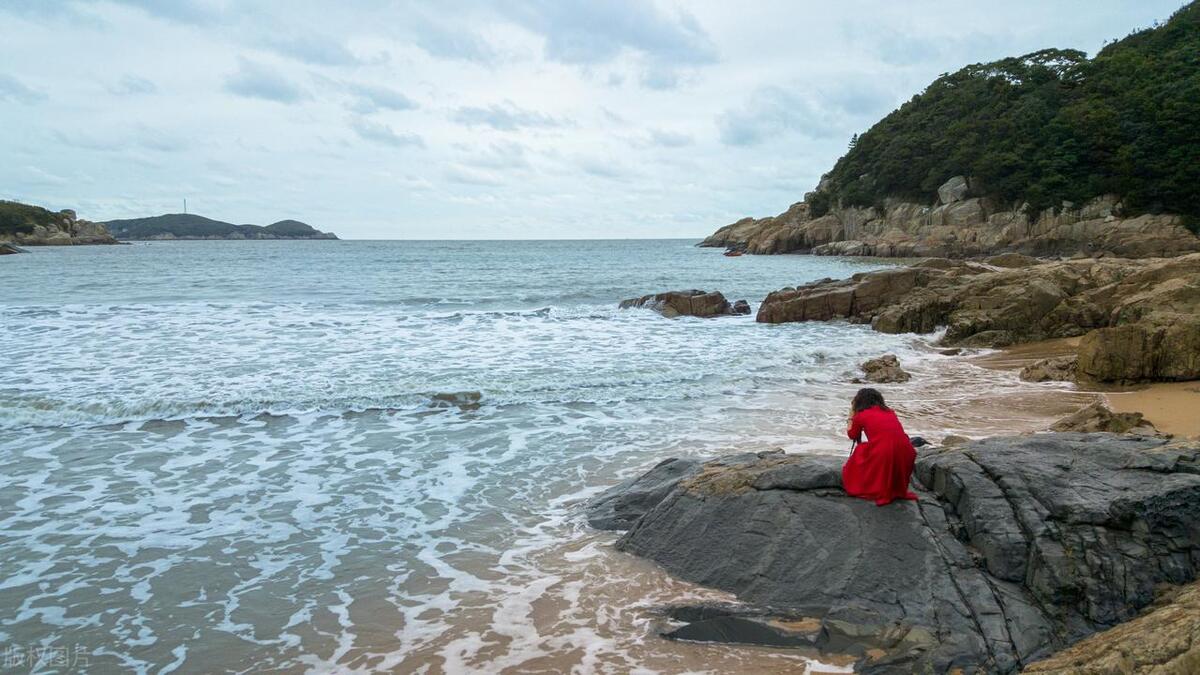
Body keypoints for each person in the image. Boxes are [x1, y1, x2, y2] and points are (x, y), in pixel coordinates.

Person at [843, 388, 918, 506]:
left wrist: (851, 415)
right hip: (907, 451)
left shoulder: (861, 415)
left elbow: (852, 435)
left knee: (861, 450)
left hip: (886, 452)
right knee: (876, 447)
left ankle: (867, 485)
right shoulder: (890, 412)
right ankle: (894, 488)